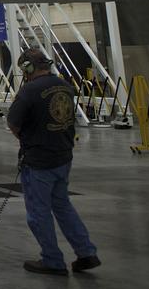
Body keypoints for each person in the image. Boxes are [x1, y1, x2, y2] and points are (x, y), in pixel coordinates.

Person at [6, 48, 99, 276]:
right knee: (63, 206)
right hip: (63, 157)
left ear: (28, 67)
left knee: (38, 212)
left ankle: (52, 260)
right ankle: (86, 252)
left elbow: (13, 123)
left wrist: (27, 140)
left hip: (39, 161)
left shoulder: (29, 91)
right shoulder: (65, 86)